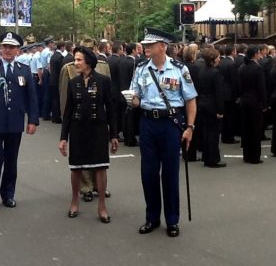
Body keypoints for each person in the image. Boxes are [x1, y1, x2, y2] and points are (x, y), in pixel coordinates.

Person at [130, 28, 197, 238]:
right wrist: (131, 99)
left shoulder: (179, 69)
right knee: (148, 173)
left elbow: (190, 100)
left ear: (162, 46)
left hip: (170, 125)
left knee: (170, 174)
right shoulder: (141, 69)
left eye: (150, 45)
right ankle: (152, 217)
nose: (146, 48)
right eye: (145, 45)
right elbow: (136, 97)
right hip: (148, 123)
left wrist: (190, 127)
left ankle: (172, 220)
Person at [0, 32, 39, 211]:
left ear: (18, 50)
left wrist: (33, 120)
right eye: (4, 47)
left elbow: (32, 98)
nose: (7, 50)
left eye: (11, 47)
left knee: (11, 161)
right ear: (0, 48)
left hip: (15, 123)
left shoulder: (24, 70)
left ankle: (8, 194)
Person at [59, 47, 119, 222]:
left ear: (88, 62)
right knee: (76, 168)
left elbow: (111, 110)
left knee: (100, 167)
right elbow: (68, 112)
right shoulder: (73, 82)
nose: (75, 63)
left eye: (79, 60)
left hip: (98, 129)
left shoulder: (103, 81)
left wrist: (113, 135)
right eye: (75, 59)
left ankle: (101, 205)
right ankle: (74, 201)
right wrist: (63, 138)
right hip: (77, 130)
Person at [196, 47, 225, 167]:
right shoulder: (216, 73)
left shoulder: (202, 70)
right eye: (218, 57)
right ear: (213, 59)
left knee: (206, 132)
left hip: (202, 103)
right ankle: (213, 159)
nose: (219, 59)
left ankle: (206, 157)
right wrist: (220, 110)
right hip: (212, 105)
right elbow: (218, 93)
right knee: (213, 133)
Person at [238, 45, 267, 164]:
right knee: (255, 129)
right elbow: (261, 88)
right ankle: (254, 156)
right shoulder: (258, 68)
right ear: (255, 54)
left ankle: (246, 154)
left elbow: (239, 85)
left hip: (244, 100)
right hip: (254, 101)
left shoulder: (241, 68)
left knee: (246, 128)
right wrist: (264, 103)